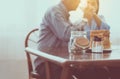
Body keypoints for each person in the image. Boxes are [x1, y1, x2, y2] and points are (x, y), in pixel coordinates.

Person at [34, 0, 110, 79]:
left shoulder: (65, 16)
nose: (80, 2)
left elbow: (75, 38)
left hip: (62, 62)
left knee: (100, 72)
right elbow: (66, 35)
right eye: (78, 0)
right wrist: (84, 19)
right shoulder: (55, 11)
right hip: (47, 63)